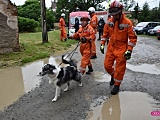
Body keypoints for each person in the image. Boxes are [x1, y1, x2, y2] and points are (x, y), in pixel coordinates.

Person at [100, 0, 137, 95]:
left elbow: (132, 38)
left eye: (115, 14)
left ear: (120, 11)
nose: (114, 16)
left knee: (120, 69)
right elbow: (105, 34)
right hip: (111, 47)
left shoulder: (127, 23)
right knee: (107, 66)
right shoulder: (109, 22)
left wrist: (129, 50)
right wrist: (102, 43)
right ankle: (113, 75)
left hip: (122, 48)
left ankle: (117, 85)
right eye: (112, 14)